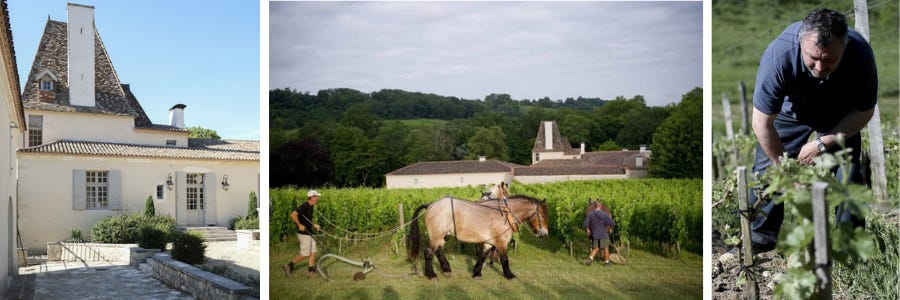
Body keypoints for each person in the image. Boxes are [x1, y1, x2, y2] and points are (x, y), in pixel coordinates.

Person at [749, 8, 876, 251]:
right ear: (801, 43)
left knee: (848, 176)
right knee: (767, 172)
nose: (819, 67)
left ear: (844, 47)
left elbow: (864, 111)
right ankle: (760, 241)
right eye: (812, 58)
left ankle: (849, 247)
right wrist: (785, 171)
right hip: (791, 111)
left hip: (840, 115)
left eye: (829, 59)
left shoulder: (860, 54)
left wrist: (823, 142)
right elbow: (761, 122)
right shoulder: (779, 55)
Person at [283, 190, 322, 277]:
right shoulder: (305, 205)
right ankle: (289, 265)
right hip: (303, 233)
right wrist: (299, 225)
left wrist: (314, 225)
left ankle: (310, 271)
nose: (318, 198)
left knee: (313, 251)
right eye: (316, 196)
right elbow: (293, 215)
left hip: (309, 232)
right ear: (312, 197)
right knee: (305, 253)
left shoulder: (311, 206)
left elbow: (307, 220)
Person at [583, 201, 615, 266]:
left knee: (596, 248)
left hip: (595, 234)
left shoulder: (591, 214)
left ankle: (590, 259)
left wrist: (588, 230)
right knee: (606, 248)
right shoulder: (604, 214)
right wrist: (610, 228)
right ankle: (607, 262)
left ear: (594, 207)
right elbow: (612, 223)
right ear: (600, 207)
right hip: (603, 234)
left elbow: (585, 224)